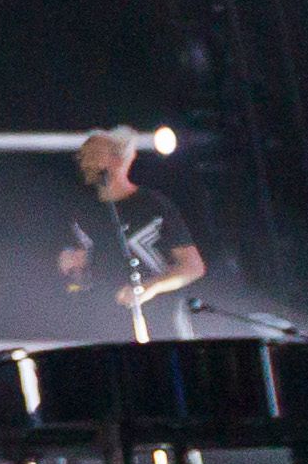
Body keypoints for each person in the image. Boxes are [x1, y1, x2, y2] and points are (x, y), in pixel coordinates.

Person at [59, 128, 208, 342]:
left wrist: (148, 288)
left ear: (118, 158)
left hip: (162, 324)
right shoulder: (80, 212)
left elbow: (193, 267)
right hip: (104, 326)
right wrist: (71, 265)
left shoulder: (153, 205)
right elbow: (74, 271)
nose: (84, 160)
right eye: (83, 154)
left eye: (94, 152)